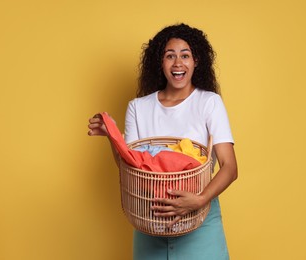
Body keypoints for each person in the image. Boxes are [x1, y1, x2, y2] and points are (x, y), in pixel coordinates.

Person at [88, 23, 238, 260]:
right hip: (150, 221)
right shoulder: (138, 107)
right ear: (160, 62)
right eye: (170, 56)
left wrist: (197, 200)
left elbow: (229, 167)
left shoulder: (209, 102)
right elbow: (130, 165)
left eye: (185, 55)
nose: (178, 63)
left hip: (200, 223)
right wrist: (112, 137)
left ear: (196, 61)